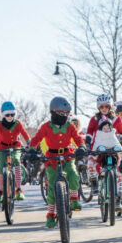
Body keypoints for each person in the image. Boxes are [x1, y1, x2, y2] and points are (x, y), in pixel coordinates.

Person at [29, 97, 86, 228]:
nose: (65, 117)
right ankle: (50, 214)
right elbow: (36, 139)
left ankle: (74, 199)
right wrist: (32, 149)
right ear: (54, 112)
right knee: (51, 185)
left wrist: (81, 147)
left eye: (67, 114)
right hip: (52, 157)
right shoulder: (46, 127)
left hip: (67, 154)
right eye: (62, 114)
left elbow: (77, 139)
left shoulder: (70, 126)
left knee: (73, 173)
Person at [0, 101, 30, 201]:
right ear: (3, 115)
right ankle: (0, 191)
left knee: (17, 160)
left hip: (15, 147)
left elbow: (24, 133)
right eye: (7, 114)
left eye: (12, 114)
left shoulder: (18, 123)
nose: (10, 116)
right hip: (2, 148)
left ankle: (18, 190)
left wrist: (29, 143)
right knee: (2, 166)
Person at [90, 116, 122, 213]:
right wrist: (95, 152)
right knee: (98, 168)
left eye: (108, 127)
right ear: (101, 128)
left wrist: (118, 148)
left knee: (118, 173)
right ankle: (99, 185)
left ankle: (118, 196)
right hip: (102, 158)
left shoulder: (113, 134)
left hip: (113, 156)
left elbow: (117, 144)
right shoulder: (99, 135)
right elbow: (96, 145)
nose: (106, 129)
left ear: (110, 127)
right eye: (104, 128)